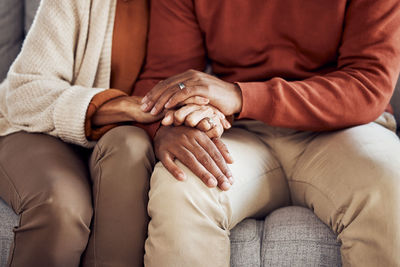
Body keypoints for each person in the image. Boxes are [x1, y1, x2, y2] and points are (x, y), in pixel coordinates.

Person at [134, 0, 400, 266]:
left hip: (348, 126)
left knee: (389, 182)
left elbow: (367, 83)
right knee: (180, 186)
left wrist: (240, 96)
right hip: (239, 131)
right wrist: (162, 128)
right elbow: (165, 77)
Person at [0, 0, 228, 266]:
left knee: (132, 147)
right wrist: (126, 106)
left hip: (124, 136)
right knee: (62, 208)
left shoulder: (198, 7)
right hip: (31, 126)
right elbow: (25, 94)